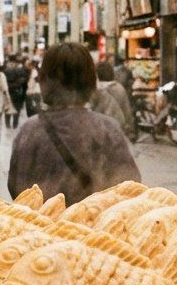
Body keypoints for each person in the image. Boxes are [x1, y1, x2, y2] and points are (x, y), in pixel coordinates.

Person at [8, 43, 140, 202]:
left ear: (44, 81)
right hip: (95, 223)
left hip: (40, 224)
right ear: (91, 82)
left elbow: (15, 186)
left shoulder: (29, 131)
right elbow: (131, 187)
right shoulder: (107, 129)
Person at [92, 60, 136, 141]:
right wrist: (130, 130)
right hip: (117, 131)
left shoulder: (93, 89)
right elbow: (127, 111)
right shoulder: (119, 88)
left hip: (97, 132)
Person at [2, 54, 29, 129]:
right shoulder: (19, 69)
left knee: (7, 108)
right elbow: (23, 80)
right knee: (17, 109)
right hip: (17, 91)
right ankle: (15, 124)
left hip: (7, 91)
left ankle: (7, 124)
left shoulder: (5, 70)